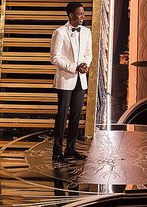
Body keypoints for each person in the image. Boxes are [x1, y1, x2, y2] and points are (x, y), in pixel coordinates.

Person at [50, 2, 92, 162]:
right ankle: (57, 152)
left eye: (83, 13)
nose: (83, 16)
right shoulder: (59, 32)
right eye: (80, 14)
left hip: (81, 79)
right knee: (62, 116)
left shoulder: (87, 32)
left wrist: (85, 65)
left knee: (75, 115)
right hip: (66, 79)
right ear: (71, 15)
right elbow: (54, 57)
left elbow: (89, 53)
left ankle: (70, 149)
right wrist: (75, 67)